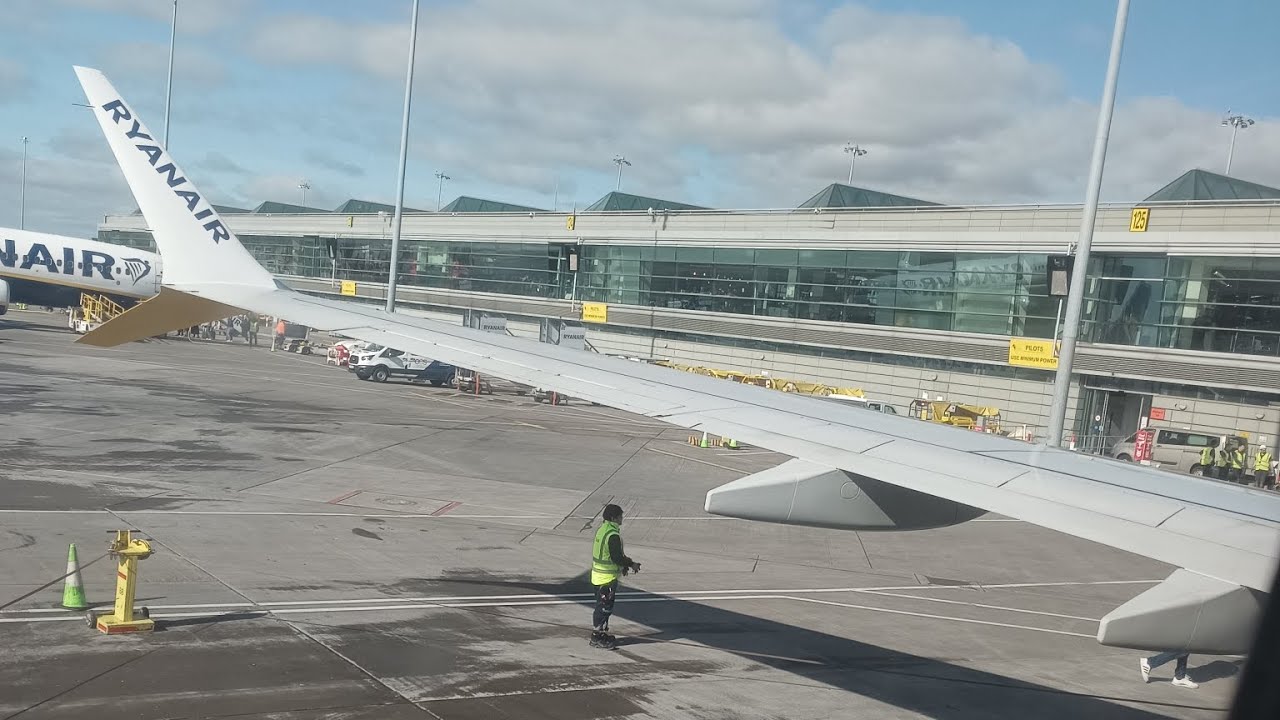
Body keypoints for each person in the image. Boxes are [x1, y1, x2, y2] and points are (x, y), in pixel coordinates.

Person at [589, 504, 640, 650]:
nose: (622, 518)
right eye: (620, 516)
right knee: (604, 608)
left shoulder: (602, 530)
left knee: (602, 606)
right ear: (613, 518)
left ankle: (602, 633)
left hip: (597, 576)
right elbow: (616, 557)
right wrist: (631, 564)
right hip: (606, 578)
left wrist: (622, 566)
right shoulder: (612, 535)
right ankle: (596, 636)